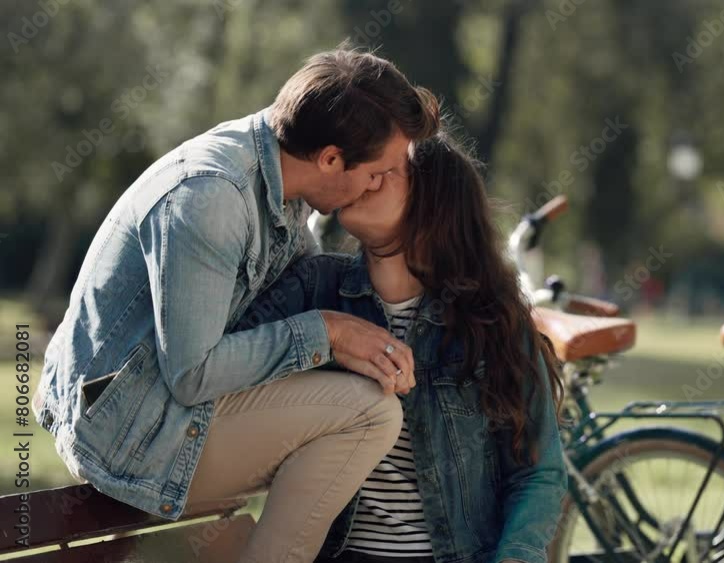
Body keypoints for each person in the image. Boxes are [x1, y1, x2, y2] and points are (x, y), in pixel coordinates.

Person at [32, 46, 440, 562]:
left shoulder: (275, 174)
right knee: (368, 415)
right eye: (377, 172)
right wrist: (329, 333)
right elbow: (193, 374)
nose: (378, 184)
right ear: (331, 158)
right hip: (131, 430)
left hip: (159, 403)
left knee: (362, 396)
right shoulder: (211, 198)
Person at [234, 130, 568, 563]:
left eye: (384, 172)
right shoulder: (315, 287)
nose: (361, 177)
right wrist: (322, 338)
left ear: (433, 202)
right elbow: (228, 363)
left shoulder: (494, 321)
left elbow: (538, 473)